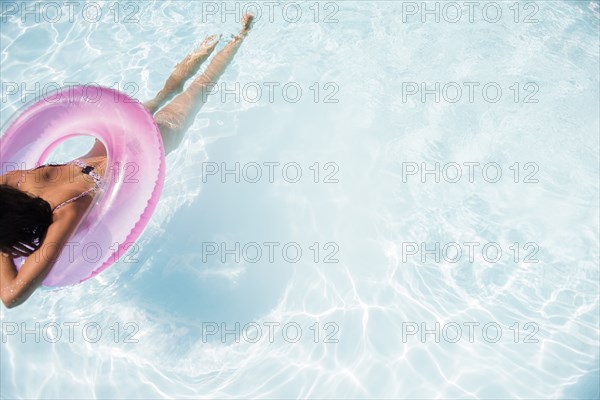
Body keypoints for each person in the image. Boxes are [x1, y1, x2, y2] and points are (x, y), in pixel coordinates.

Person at [0, 15, 254, 308]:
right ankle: (228, 34)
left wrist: (3, 248)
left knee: (201, 89)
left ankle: (240, 37)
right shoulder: (13, 180)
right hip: (111, 138)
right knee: (163, 93)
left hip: (144, 151)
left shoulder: (64, 213)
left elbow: (11, 295)